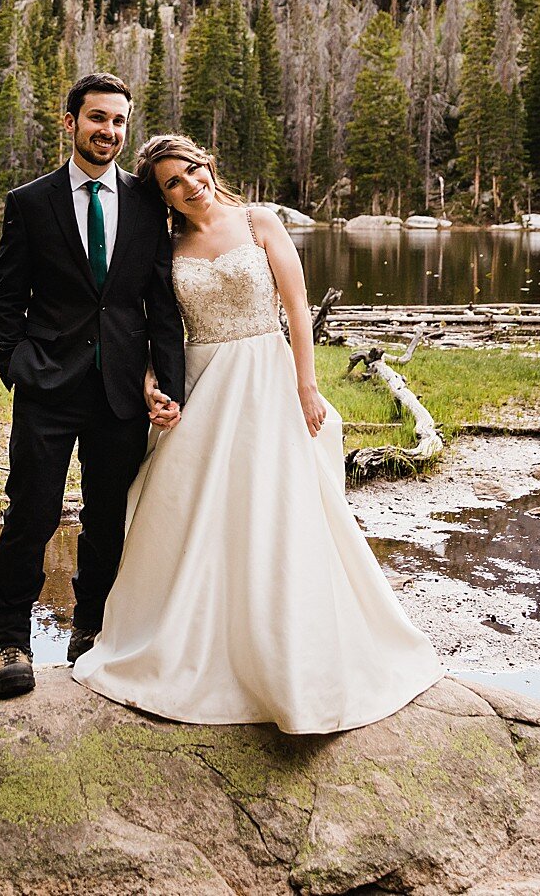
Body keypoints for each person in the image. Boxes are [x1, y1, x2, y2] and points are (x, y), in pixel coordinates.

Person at [73, 134, 443, 734]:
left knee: (277, 506)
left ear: (208, 163)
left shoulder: (259, 221)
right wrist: (148, 384)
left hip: (269, 377)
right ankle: (191, 641)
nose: (189, 184)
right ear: (161, 196)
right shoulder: (166, 248)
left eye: (192, 169)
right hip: (205, 383)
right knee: (189, 509)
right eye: (172, 181)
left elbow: (297, 308)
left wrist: (306, 386)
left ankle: (289, 646)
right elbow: (148, 327)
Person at [0, 74, 187, 700]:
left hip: (121, 391)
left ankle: (90, 628)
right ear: (70, 123)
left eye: (120, 122)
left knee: (107, 517)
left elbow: (160, 304)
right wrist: (17, 361)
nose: (110, 132)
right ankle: (10, 642)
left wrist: (169, 384)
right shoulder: (30, 202)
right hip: (47, 385)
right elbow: (7, 296)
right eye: (98, 118)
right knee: (35, 510)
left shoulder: (148, 204)